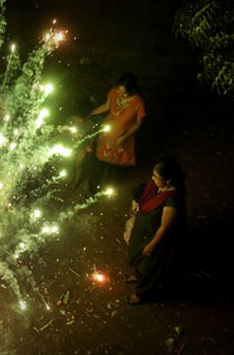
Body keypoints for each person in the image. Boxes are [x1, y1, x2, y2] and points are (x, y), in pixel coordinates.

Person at [123, 157, 186, 304]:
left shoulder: (172, 201)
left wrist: (151, 246)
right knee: (138, 257)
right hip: (142, 233)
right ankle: (137, 277)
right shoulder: (157, 187)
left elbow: (164, 228)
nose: (152, 179)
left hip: (152, 239)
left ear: (168, 180)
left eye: (156, 177)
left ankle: (142, 294)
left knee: (148, 268)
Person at [72, 73, 146, 195]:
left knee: (114, 165)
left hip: (123, 137)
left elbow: (138, 124)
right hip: (107, 134)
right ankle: (92, 189)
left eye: (125, 93)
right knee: (99, 161)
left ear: (133, 90)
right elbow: (107, 106)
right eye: (119, 90)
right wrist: (90, 114)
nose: (120, 95)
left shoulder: (138, 102)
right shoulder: (114, 92)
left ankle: (107, 188)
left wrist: (124, 138)